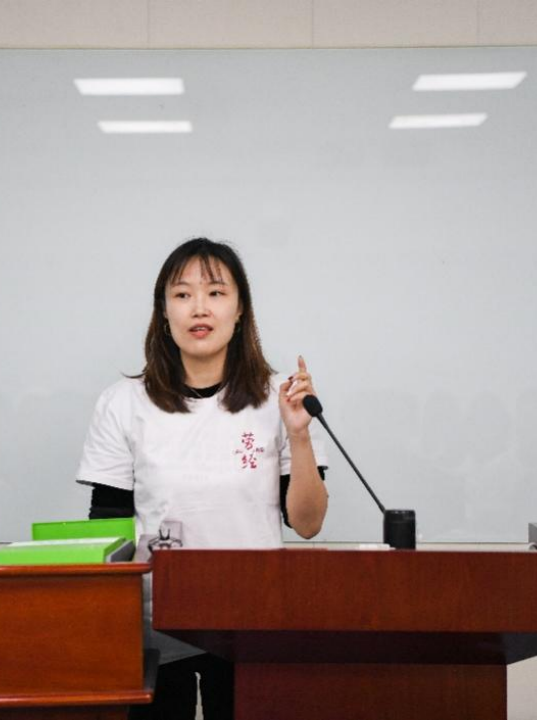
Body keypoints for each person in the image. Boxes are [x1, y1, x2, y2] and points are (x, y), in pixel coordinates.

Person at [76, 237, 329, 720]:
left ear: (240, 310)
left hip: (252, 622)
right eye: (182, 294)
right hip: (154, 624)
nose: (199, 308)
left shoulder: (280, 397)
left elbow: (308, 523)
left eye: (216, 293)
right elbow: (106, 528)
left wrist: (298, 434)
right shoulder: (122, 402)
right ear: (163, 312)